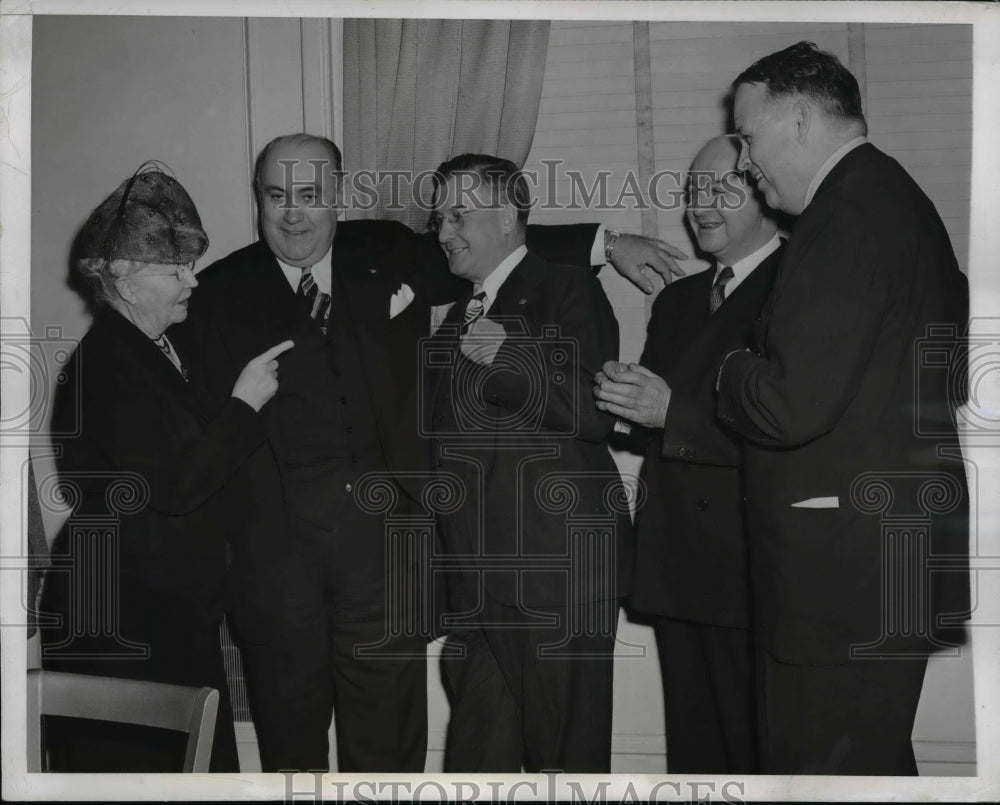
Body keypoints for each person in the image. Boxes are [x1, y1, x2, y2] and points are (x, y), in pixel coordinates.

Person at [172, 132, 683, 773]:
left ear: (338, 198)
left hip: (390, 564)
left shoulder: (385, 251)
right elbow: (191, 434)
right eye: (277, 196)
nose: (293, 213)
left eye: (309, 195)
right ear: (258, 199)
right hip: (278, 572)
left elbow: (505, 243)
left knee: (396, 750)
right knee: (293, 753)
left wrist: (609, 243)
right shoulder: (214, 293)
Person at [715, 42, 970, 774]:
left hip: (837, 575)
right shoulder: (897, 199)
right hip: (883, 560)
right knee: (868, 766)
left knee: (820, 774)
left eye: (748, 137)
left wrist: (731, 370)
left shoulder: (843, 217)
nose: (744, 163)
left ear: (798, 120)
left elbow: (789, 404)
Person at [39, 164, 290, 772]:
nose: (192, 280)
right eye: (174, 270)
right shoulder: (107, 365)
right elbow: (178, 484)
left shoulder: (157, 346)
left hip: (166, 612)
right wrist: (244, 404)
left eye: (189, 266)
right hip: (119, 621)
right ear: (124, 282)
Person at [425, 154, 631, 773]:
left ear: (508, 216)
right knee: (475, 766)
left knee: (565, 765)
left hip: (555, 580)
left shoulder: (568, 287)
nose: (443, 232)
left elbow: (594, 410)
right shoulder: (455, 314)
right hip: (478, 589)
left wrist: (511, 355)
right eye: (439, 218)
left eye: (458, 215)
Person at [594, 134, 782, 773]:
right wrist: (619, 401)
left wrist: (668, 411)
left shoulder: (800, 285)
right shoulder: (675, 301)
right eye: (694, 189)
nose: (700, 205)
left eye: (721, 188)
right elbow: (654, 428)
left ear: (765, 189)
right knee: (697, 757)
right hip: (676, 565)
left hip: (752, 569)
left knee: (760, 753)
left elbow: (791, 426)